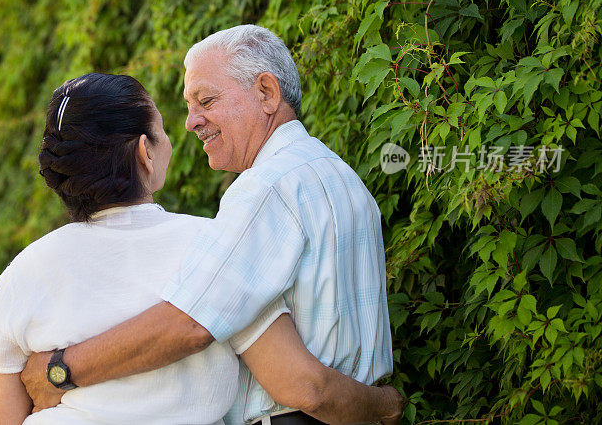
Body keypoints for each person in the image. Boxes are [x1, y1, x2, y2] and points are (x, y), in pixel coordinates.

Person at [20, 26, 400, 425]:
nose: (190, 122)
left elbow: (188, 325)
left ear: (267, 93)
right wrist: (384, 403)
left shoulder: (263, 190)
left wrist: (60, 370)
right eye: (188, 106)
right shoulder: (342, 177)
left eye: (207, 100)